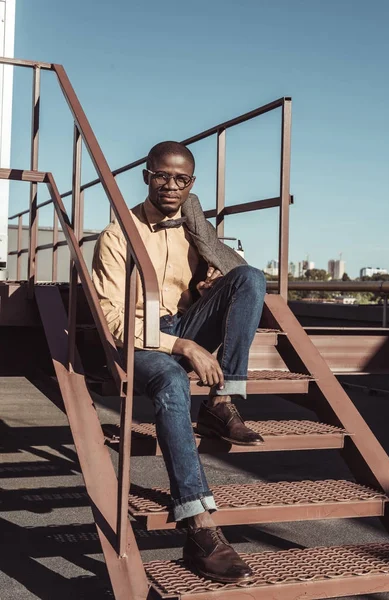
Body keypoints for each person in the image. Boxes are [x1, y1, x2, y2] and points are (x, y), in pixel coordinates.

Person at [92, 141, 267, 583]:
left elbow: (213, 283)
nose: (171, 186)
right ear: (147, 175)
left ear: (192, 183)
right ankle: (198, 526)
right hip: (138, 341)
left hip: (178, 323)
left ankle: (222, 401)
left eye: (181, 179)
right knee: (171, 378)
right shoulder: (118, 235)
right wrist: (184, 347)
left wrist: (208, 285)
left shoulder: (192, 226)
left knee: (249, 277)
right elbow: (112, 321)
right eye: (162, 176)